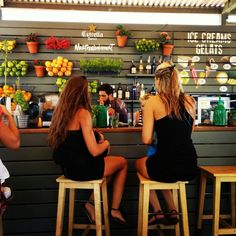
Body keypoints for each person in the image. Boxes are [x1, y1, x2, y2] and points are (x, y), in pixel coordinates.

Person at [48, 76, 127, 224]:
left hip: (68, 170)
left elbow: (74, 141)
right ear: (83, 93)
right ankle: (114, 210)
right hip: (83, 170)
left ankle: (90, 204)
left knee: (109, 168)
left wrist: (94, 135)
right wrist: (106, 143)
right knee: (121, 163)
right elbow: (95, 152)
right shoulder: (83, 113)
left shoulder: (59, 113)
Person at [135, 62, 198, 225]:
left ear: (158, 81)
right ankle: (172, 210)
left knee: (140, 164)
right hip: (189, 165)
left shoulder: (152, 102)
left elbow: (146, 139)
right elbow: (188, 133)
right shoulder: (190, 101)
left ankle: (158, 212)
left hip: (166, 165)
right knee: (162, 166)